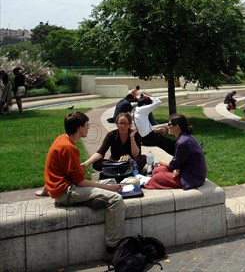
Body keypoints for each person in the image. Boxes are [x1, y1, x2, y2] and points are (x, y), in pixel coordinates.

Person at [42, 111, 125, 261]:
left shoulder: (62, 139)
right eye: (87, 126)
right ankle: (112, 249)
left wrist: (44, 190)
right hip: (66, 192)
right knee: (116, 199)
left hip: (67, 187)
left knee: (111, 181)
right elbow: (80, 182)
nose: (88, 129)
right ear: (80, 129)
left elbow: (51, 169)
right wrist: (109, 190)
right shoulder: (69, 148)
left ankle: (90, 199)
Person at [145, 114, 207, 190]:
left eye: (169, 124)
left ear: (177, 126)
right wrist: (178, 168)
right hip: (186, 169)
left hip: (192, 177)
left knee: (157, 178)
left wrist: (164, 162)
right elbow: (180, 161)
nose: (167, 126)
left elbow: (174, 164)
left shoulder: (183, 142)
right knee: (157, 170)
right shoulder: (184, 137)